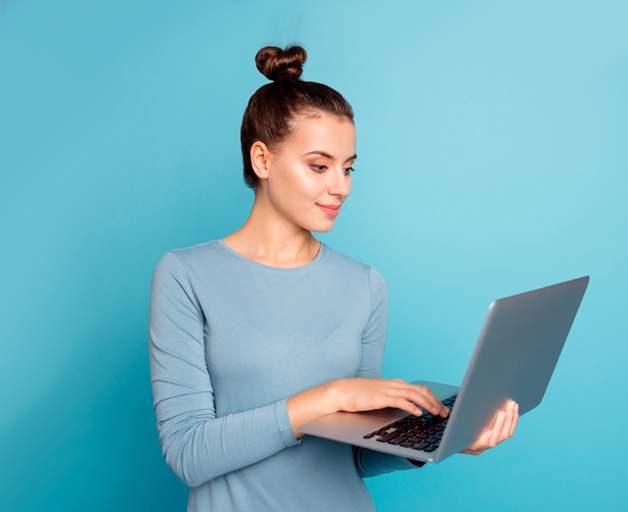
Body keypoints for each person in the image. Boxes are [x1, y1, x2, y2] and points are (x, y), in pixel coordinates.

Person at [148, 45, 520, 512]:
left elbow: (357, 454)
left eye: (348, 168)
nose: (340, 185)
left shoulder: (365, 285)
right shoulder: (186, 275)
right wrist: (332, 396)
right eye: (319, 166)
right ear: (262, 160)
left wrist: (439, 442)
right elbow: (189, 453)